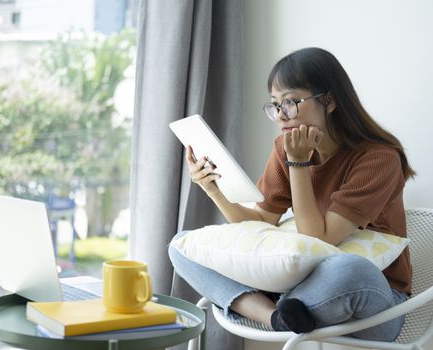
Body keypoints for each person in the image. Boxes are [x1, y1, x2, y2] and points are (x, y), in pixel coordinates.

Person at [168, 47, 414, 341]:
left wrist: (299, 162)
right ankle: (275, 318)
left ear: (331, 101)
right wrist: (212, 188)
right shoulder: (285, 147)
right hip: (297, 295)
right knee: (181, 245)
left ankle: (283, 310)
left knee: (349, 268)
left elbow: (319, 238)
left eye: (291, 102)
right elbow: (260, 220)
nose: (281, 116)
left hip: (377, 304)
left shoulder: (379, 159)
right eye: (274, 105)